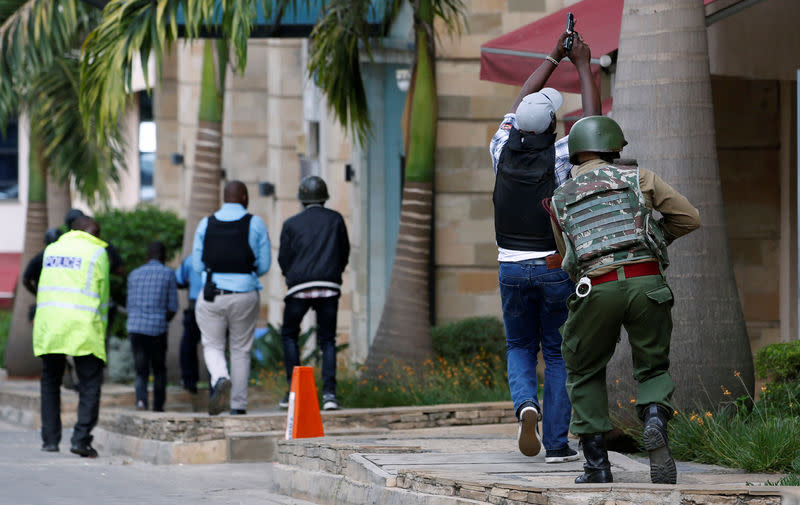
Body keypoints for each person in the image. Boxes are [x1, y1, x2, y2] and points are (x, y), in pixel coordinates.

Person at [547, 116, 701, 484]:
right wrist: (652, 238)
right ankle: (653, 419)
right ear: (615, 148)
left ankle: (597, 466)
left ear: (576, 153)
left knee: (584, 369)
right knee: (652, 367)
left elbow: (568, 257)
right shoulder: (640, 178)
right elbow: (690, 218)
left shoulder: (560, 197)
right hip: (647, 281)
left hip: (594, 287)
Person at [488, 31, 600, 463]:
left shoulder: (499, 150)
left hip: (510, 267)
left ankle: (525, 406)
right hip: (554, 266)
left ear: (516, 125)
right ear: (553, 126)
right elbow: (592, 122)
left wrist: (554, 55)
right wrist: (583, 64)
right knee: (556, 353)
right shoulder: (561, 157)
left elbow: (521, 99)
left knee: (519, 345)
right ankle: (556, 444)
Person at [33, 216, 109, 458]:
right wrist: (102, 331)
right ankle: (81, 439)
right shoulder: (98, 253)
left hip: (50, 325)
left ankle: (50, 440)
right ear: (90, 232)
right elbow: (103, 297)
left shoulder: (51, 250)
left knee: (50, 381)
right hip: (82, 326)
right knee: (89, 383)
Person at [193, 180, 271, 416]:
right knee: (240, 349)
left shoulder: (205, 223)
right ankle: (238, 405)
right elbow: (264, 265)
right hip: (245, 294)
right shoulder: (255, 223)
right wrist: (244, 274)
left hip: (212, 294)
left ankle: (220, 377)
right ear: (245, 197)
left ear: (223, 198)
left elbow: (197, 265)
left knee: (212, 345)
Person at [278, 176, 350, 411]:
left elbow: (284, 259)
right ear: (324, 197)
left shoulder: (291, 224)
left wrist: (292, 277)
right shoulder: (336, 220)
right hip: (329, 286)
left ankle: (294, 392)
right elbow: (344, 252)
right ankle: (329, 395)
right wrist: (334, 274)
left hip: (299, 288)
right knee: (327, 340)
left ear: (302, 199)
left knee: (289, 334)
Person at [126, 241, 178, 412]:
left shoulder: (134, 274)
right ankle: (158, 407)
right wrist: (161, 320)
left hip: (136, 327)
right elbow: (172, 306)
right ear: (163, 256)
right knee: (159, 370)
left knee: (140, 370)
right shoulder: (168, 274)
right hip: (157, 329)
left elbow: (129, 304)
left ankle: (141, 402)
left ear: (147, 256)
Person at [175, 255, 203, 394]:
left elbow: (178, 280)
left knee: (188, 345)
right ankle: (215, 383)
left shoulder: (192, 259)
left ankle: (189, 381)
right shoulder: (224, 257)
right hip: (218, 304)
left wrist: (191, 282)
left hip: (195, 305)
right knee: (216, 347)